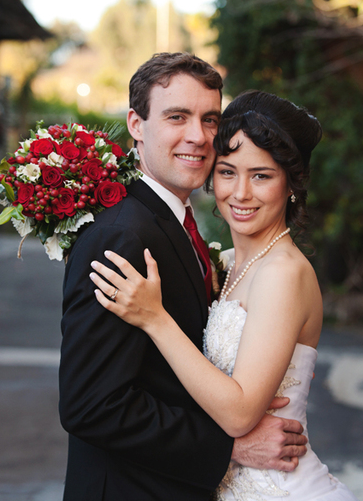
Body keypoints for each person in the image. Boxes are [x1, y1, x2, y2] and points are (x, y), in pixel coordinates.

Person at [59, 55, 308, 501]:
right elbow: (92, 406)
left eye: (210, 119)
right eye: (177, 117)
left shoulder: (184, 229)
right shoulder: (122, 235)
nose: (198, 136)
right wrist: (229, 447)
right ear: (136, 123)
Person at [89, 90, 358, 500]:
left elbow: (238, 414)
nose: (241, 193)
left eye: (262, 175)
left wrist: (154, 319)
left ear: (291, 184)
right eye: (228, 172)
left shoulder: (282, 273)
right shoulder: (225, 264)